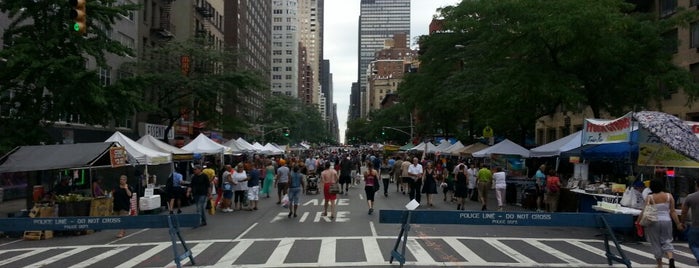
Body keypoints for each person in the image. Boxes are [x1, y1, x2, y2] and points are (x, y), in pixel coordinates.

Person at [636, 179, 683, 268]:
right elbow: (672, 211)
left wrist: (638, 221)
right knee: (667, 240)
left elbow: (644, 211)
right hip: (667, 221)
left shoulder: (650, 197)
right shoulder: (669, 196)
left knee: (655, 242)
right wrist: (678, 223)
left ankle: (660, 264)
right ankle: (670, 258)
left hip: (653, 221)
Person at [681, 179, 699, 266]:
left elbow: (684, 212)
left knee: (694, 245)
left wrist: (682, 222)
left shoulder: (690, 197)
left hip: (695, 226)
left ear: (696, 185)